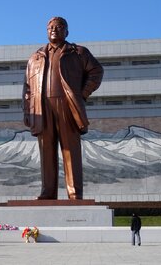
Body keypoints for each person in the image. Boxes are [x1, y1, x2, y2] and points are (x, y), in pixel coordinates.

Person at [23, 16, 104, 200]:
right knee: (46, 151)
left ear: (66, 32)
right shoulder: (35, 57)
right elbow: (27, 87)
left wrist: (82, 93)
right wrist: (28, 110)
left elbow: (96, 71)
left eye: (59, 27)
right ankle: (47, 192)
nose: (54, 29)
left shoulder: (78, 53)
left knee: (70, 150)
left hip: (67, 105)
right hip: (42, 108)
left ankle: (74, 193)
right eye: (50, 27)